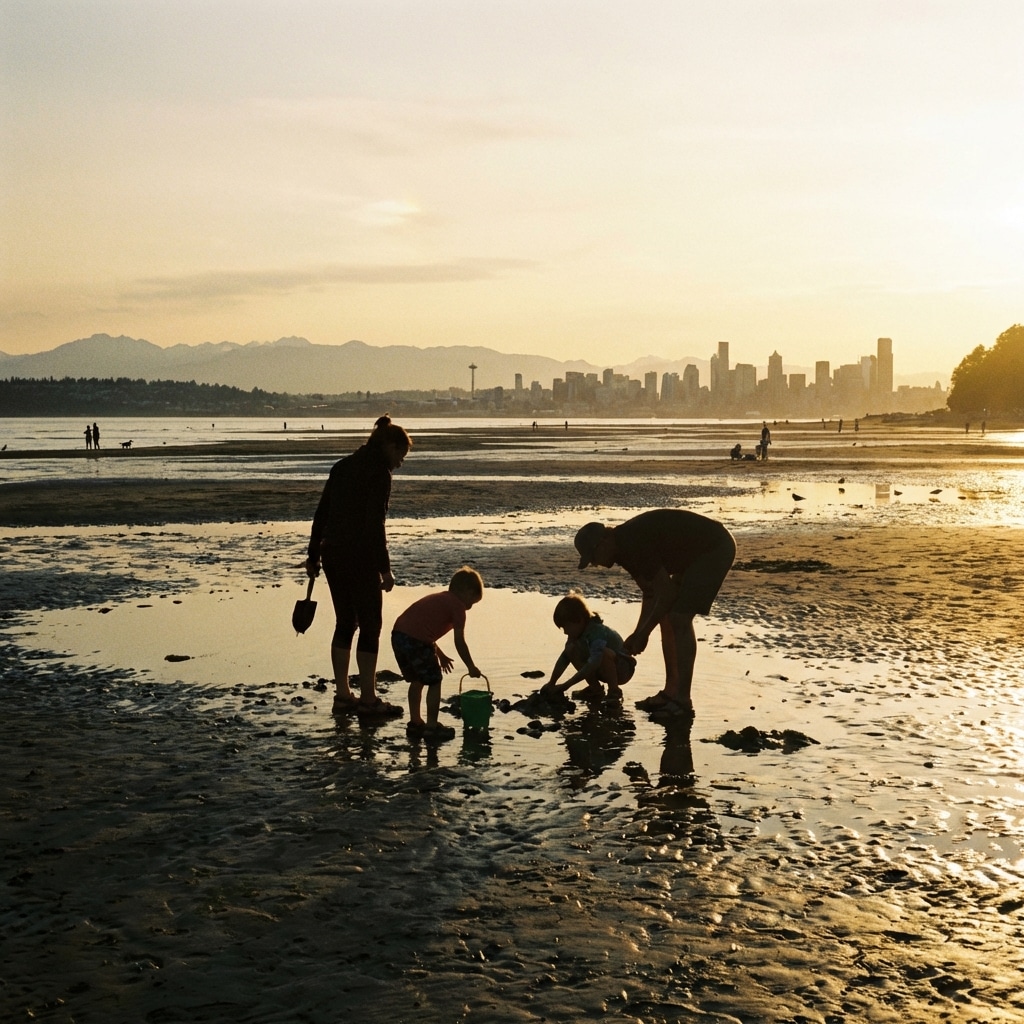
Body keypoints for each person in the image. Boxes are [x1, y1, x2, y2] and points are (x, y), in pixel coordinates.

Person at [574, 508, 736, 718]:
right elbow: (651, 593)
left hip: (714, 547)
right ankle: (671, 693)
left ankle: (682, 701)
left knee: (679, 619)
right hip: (692, 554)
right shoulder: (621, 550)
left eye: (593, 557)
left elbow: (666, 593)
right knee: (667, 618)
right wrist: (638, 631)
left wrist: (643, 634)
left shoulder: (631, 542)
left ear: (604, 541)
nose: (596, 564)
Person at [306, 414, 412, 718]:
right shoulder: (379, 473)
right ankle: (368, 698)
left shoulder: (341, 467)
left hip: (333, 555)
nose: (400, 463)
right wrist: (385, 569)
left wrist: (313, 556)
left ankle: (342, 695)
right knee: (370, 626)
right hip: (361, 557)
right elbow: (373, 525)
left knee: (344, 623)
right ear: (389, 447)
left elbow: (321, 514)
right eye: (400, 455)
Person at [391, 567, 484, 742]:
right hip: (416, 641)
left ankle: (415, 722)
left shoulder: (440, 598)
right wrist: (471, 666)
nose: (470, 607)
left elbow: (424, 631)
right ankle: (431, 727)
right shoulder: (458, 606)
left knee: (417, 680)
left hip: (398, 636)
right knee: (435, 681)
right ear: (467, 592)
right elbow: (459, 641)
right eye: (472, 601)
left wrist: (439, 655)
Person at [541, 591, 636, 703]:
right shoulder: (577, 634)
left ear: (579, 620)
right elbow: (565, 657)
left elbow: (593, 664)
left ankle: (614, 691)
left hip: (623, 668)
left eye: (566, 627)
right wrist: (552, 682)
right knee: (571, 650)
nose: (565, 632)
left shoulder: (596, 633)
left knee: (603, 653)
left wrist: (566, 685)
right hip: (600, 667)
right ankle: (595, 689)